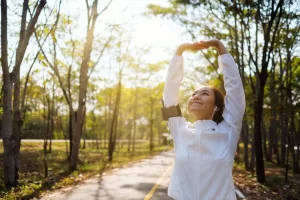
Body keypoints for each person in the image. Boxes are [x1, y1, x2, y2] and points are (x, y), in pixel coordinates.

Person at [163, 39, 246, 200]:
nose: (196, 97)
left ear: (216, 106)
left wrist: (219, 46)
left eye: (204, 93)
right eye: (194, 94)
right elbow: (169, 93)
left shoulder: (227, 131)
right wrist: (179, 51)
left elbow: (235, 89)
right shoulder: (180, 129)